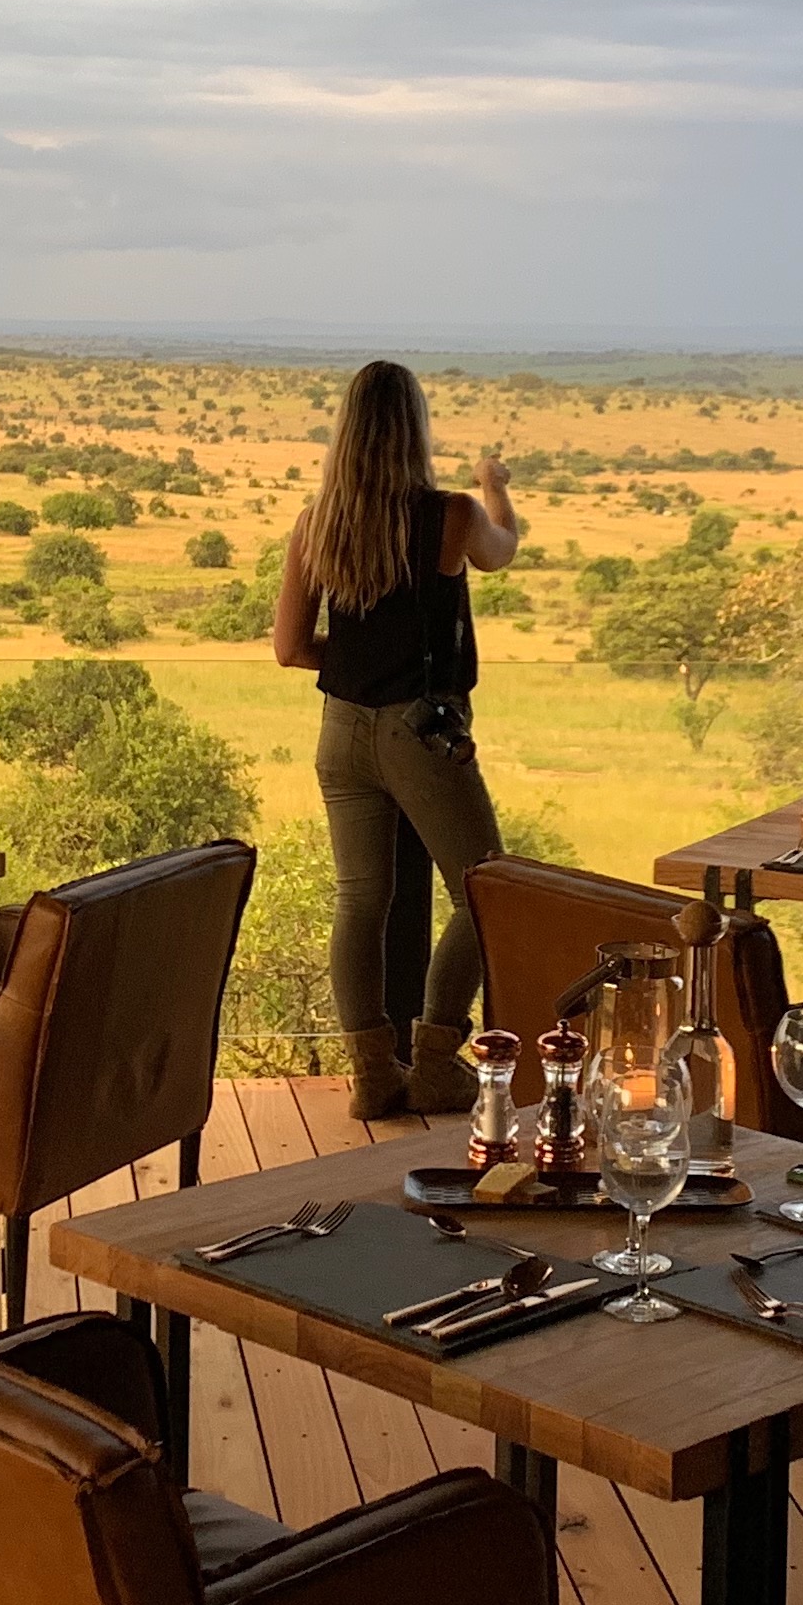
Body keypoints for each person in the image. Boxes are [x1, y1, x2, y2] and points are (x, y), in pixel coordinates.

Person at [274, 360, 519, 1119]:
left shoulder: (318, 523)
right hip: (422, 731)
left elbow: (290, 647)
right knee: (488, 891)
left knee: (360, 900)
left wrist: (361, 662)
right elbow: (502, 550)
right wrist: (494, 484)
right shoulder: (451, 515)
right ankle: (438, 1058)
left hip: (340, 730)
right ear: (415, 428)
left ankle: (373, 1075)